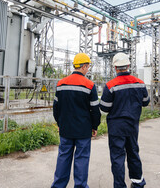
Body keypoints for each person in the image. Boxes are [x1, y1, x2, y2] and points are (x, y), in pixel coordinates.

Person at [100, 52, 150, 188]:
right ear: (128, 65)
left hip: (116, 127)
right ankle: (138, 183)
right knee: (133, 152)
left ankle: (119, 185)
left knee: (117, 157)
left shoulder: (111, 85)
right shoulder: (140, 84)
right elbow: (146, 102)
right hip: (132, 125)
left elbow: (104, 107)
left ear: (115, 68)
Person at [51, 53, 101, 188]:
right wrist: (95, 126)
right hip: (83, 130)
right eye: (88, 66)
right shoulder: (90, 85)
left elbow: (56, 107)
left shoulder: (61, 84)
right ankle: (80, 186)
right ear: (84, 66)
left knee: (63, 158)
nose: (88, 69)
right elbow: (95, 110)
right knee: (82, 159)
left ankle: (58, 186)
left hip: (66, 128)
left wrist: (60, 123)